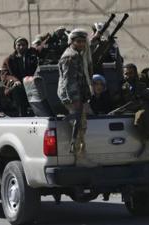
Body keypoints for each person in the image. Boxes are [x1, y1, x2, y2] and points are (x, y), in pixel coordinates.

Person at [58, 28, 96, 167]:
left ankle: (80, 154)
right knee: (80, 125)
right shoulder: (70, 56)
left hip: (78, 95)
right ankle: (80, 158)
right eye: (78, 41)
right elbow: (69, 81)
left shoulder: (79, 54)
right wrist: (75, 100)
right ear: (72, 42)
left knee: (80, 124)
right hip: (72, 96)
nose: (81, 44)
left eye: (83, 42)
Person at [0, 37, 39, 116]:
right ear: (15, 46)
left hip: (31, 86)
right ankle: (22, 114)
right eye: (19, 45)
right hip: (17, 87)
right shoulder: (9, 60)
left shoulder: (32, 56)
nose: (21, 47)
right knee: (18, 90)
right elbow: (5, 75)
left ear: (27, 46)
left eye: (24, 45)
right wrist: (15, 81)